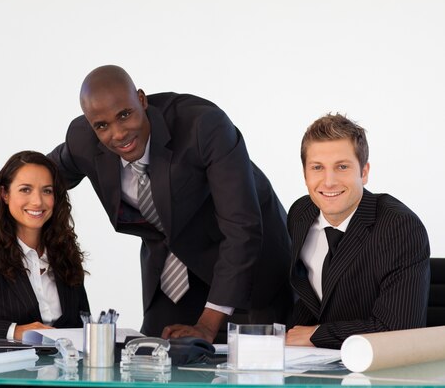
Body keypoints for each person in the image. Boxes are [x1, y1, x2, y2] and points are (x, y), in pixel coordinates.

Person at [49, 65, 292, 343]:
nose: (117, 133)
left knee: (250, 369)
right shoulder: (83, 140)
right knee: (153, 357)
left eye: (125, 115)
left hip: (249, 261)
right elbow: (38, 177)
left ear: (141, 100)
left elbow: (242, 228)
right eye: (102, 125)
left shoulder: (204, 126)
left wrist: (207, 325)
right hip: (174, 270)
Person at [286, 114, 430, 349]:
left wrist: (317, 335)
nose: (328, 181)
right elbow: (312, 299)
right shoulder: (301, 213)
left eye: (342, 167)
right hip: (312, 365)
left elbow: (399, 330)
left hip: (378, 371)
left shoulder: (399, 227)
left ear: (363, 172)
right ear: (305, 174)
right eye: (317, 168)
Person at [0, 151, 89, 340]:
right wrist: (14, 331)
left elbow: (82, 324)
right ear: (4, 194)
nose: (37, 201)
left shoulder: (65, 252)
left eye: (47, 190)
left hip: (62, 367)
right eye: (25, 189)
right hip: (2, 366)